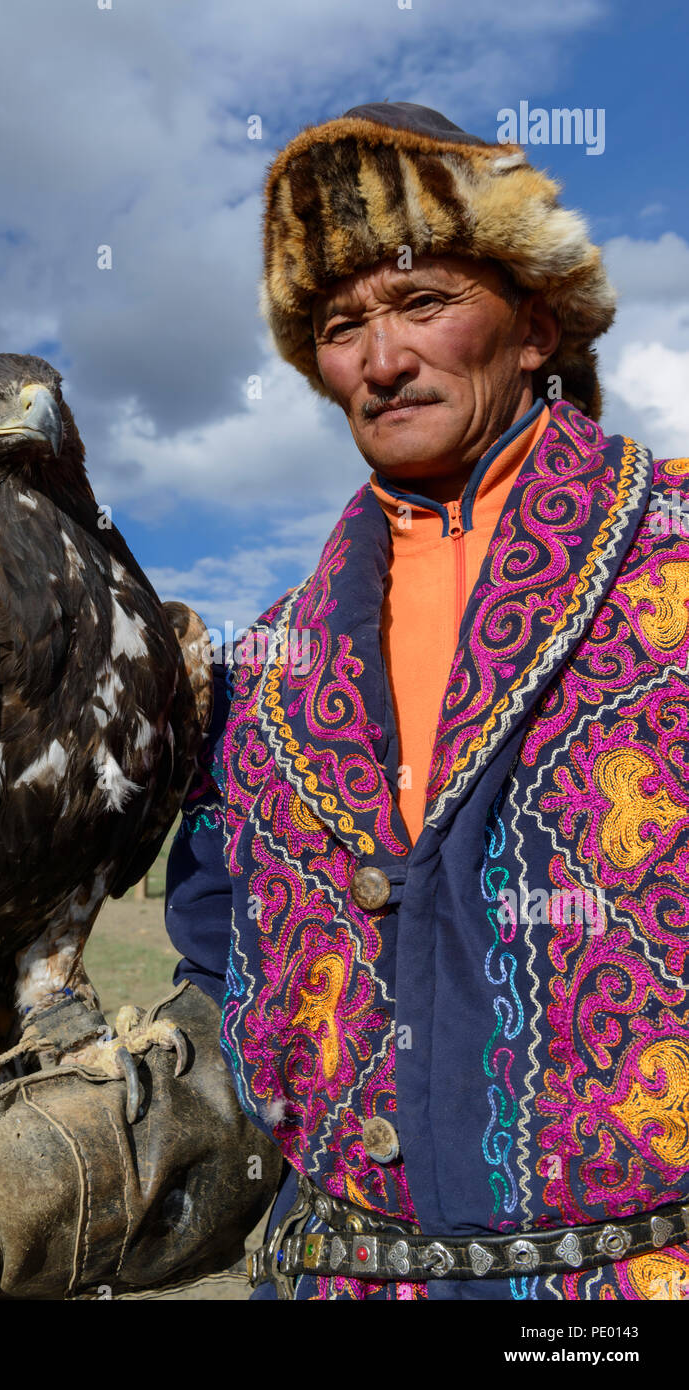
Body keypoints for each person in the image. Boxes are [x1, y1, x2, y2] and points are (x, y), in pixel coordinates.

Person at [164, 101, 689, 1301]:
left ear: (538, 323)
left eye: (421, 303)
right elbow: (217, 966)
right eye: (342, 325)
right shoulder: (260, 674)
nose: (382, 358)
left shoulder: (675, 554)